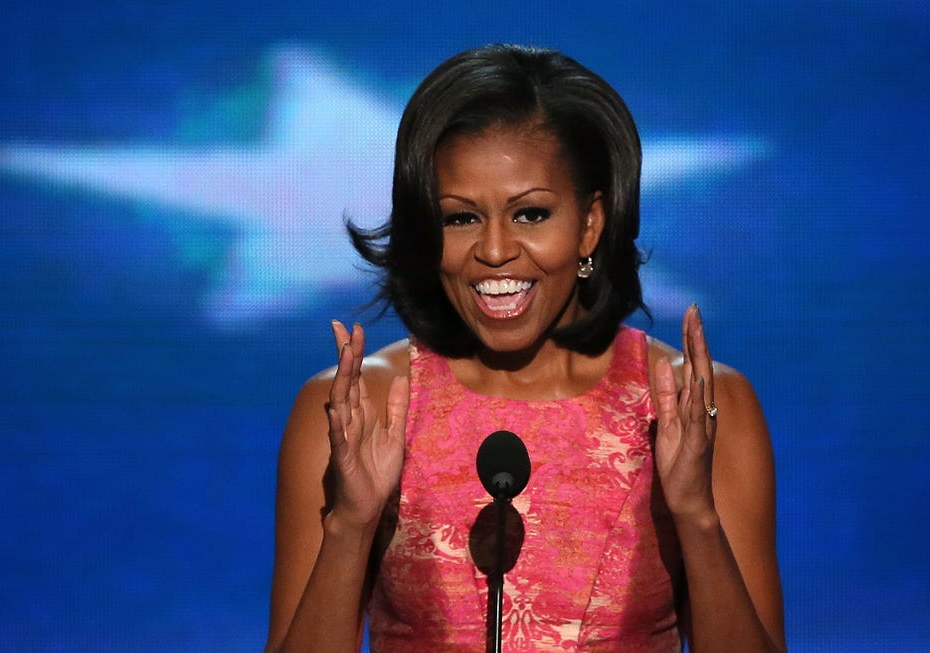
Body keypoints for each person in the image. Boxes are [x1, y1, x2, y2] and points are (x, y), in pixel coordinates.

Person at [264, 44, 785, 652]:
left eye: (531, 214)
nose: (493, 251)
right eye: (459, 218)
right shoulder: (355, 411)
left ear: (590, 223)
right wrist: (350, 527)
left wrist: (695, 515)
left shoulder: (701, 407)